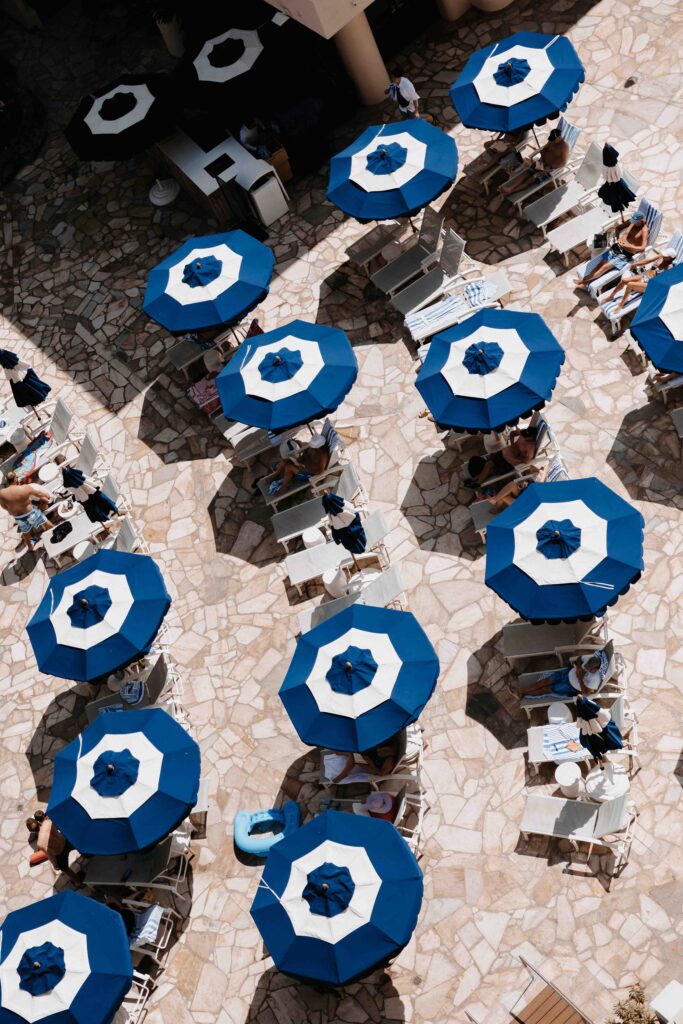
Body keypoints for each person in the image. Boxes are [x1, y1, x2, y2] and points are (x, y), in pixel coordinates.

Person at [574, 210, 650, 289]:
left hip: (625, 254)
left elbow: (643, 248)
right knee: (599, 265)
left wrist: (628, 246)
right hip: (616, 248)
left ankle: (582, 281)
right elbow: (618, 228)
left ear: (641, 220)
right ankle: (585, 283)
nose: (633, 222)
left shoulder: (644, 230)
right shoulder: (631, 222)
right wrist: (617, 238)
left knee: (603, 268)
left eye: (636, 221)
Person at [601, 247, 677, 312]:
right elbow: (647, 260)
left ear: (670, 258)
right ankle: (611, 296)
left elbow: (665, 282)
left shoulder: (669, 267)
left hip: (649, 284)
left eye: (666, 256)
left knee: (630, 285)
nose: (663, 256)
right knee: (624, 280)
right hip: (644, 276)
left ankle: (621, 305)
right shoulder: (661, 256)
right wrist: (635, 264)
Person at [463, 425, 540, 488]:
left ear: (531, 438)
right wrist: (512, 444)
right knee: (488, 464)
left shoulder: (530, 448)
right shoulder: (524, 433)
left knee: (491, 471)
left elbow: (526, 461)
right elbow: (512, 433)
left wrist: (518, 455)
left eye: (526, 437)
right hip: (503, 452)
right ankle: (475, 480)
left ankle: (476, 483)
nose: (523, 437)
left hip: (508, 462)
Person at [499, 128, 569, 196]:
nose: (552, 141)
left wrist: (551, 167)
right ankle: (511, 187)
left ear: (559, 137)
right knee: (526, 173)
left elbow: (563, 162)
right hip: (542, 163)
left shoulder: (564, 147)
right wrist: (541, 159)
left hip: (550, 169)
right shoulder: (551, 141)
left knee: (532, 178)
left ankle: (512, 190)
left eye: (554, 140)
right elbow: (544, 149)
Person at [515, 651, 609, 698]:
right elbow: (579, 659)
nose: (587, 670)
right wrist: (579, 667)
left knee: (546, 689)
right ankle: (521, 691)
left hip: (570, 686)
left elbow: (586, 693)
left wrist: (580, 679)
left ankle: (522, 692)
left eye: (590, 670)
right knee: (544, 681)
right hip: (567, 673)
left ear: (597, 669)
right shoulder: (591, 658)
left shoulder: (596, 679)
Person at [0, 479, 53, 550]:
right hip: (31, 513)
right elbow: (39, 494)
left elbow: (3, 506)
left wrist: (10, 511)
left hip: (19, 517)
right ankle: (55, 530)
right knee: (45, 522)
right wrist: (47, 495)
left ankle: (30, 547)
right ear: (16, 480)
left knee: (26, 533)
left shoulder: (2, 493)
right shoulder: (25, 488)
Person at [27, 813, 81, 883]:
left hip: (60, 853)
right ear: (37, 822)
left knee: (65, 869)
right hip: (64, 841)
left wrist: (55, 865)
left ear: (32, 831)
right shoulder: (48, 822)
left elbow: (50, 855)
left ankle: (79, 883)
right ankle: (87, 855)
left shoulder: (40, 843)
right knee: (78, 846)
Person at [330, 734, 402, 785]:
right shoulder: (384, 742)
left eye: (382, 750)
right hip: (364, 753)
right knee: (348, 753)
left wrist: (369, 762)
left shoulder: (389, 761)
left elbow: (380, 773)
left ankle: (343, 774)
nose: (379, 750)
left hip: (365, 759)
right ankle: (347, 757)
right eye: (380, 749)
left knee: (351, 756)